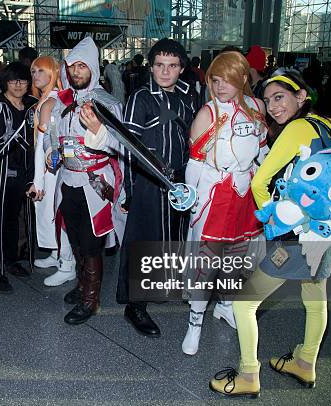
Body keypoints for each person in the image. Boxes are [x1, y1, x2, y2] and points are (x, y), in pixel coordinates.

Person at [209, 71, 331, 397]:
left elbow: (259, 182)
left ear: (301, 97)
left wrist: (275, 222)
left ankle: (248, 376)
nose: (272, 106)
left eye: (280, 97)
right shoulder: (329, 124)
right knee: (315, 299)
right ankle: (306, 362)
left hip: (296, 237)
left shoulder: (297, 128)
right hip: (325, 232)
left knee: (244, 303)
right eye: (268, 100)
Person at [181, 51, 268, 355]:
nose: (220, 87)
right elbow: (194, 162)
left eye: (227, 80)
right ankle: (195, 322)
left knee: (238, 256)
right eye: (215, 80)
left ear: (243, 79)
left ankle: (227, 305)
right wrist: (189, 194)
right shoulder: (207, 112)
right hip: (215, 193)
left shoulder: (257, 107)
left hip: (245, 194)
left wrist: (271, 182)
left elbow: (262, 149)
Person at [115, 38, 197, 337]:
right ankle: (135, 305)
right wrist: (131, 189)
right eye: (160, 65)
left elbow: (193, 140)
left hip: (180, 179)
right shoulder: (140, 98)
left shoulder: (188, 96)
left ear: (181, 68)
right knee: (143, 240)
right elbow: (128, 146)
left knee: (174, 235)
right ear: (151, 67)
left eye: (172, 66)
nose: (165, 72)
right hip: (148, 182)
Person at [50, 37, 126, 324]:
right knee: (77, 239)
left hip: (96, 183)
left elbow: (119, 146)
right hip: (67, 180)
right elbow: (53, 136)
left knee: (93, 242)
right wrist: (50, 152)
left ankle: (91, 301)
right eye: (72, 66)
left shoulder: (107, 103)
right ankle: (82, 286)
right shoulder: (62, 102)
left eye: (82, 66)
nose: (76, 72)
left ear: (93, 68)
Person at [0, 62, 37, 292]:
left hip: (22, 172)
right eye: (13, 80)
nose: (19, 84)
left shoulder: (32, 105)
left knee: (14, 219)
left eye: (23, 80)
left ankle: (10, 260)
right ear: (5, 82)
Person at [28, 56, 77, 287]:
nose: (35, 75)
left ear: (53, 73)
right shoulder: (48, 99)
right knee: (50, 213)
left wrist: (37, 182)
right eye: (33, 71)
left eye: (40, 70)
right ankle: (58, 255)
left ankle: (67, 264)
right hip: (51, 168)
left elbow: (43, 146)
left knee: (57, 213)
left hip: (53, 169)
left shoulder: (51, 102)